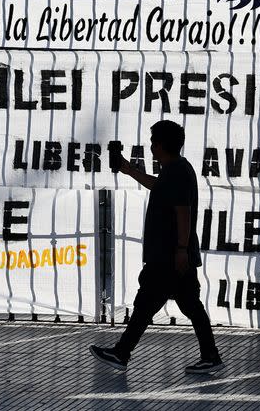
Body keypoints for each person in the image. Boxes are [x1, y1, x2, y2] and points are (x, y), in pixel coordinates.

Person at [90, 120, 224, 374]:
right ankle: (210, 356)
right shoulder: (175, 169)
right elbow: (159, 187)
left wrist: (182, 250)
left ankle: (121, 353)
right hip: (172, 255)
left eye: (153, 142)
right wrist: (130, 170)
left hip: (168, 256)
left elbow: (183, 212)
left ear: (161, 145)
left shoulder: (178, 171)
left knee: (146, 304)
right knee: (188, 305)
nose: (151, 147)